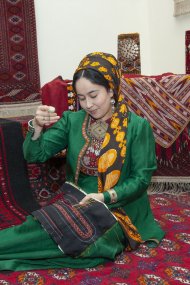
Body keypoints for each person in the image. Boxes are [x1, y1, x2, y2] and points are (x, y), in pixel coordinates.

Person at [0, 52, 164, 271]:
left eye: (94, 95)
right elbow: (34, 154)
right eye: (82, 97)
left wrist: (104, 196)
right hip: (77, 200)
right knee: (42, 226)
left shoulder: (136, 127)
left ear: (111, 89)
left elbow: (141, 180)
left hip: (119, 208)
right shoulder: (73, 121)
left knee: (93, 243)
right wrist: (37, 127)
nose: (88, 104)